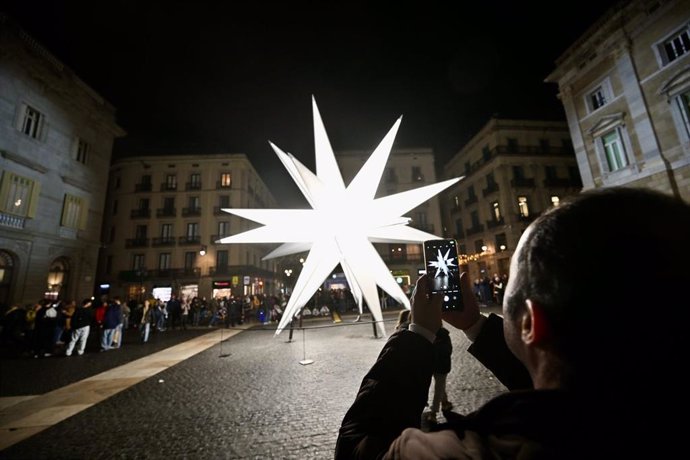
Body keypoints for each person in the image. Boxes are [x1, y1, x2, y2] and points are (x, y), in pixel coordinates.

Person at [335, 187, 690, 459]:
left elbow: (358, 446)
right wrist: (474, 323)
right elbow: (567, 383)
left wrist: (418, 334)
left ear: (530, 323)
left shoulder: (469, 451)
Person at [423, 326, 453, 424]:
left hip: (439, 365)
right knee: (440, 386)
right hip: (440, 365)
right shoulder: (443, 336)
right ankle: (445, 402)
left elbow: (447, 351)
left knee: (438, 387)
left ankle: (434, 412)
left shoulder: (439, 336)